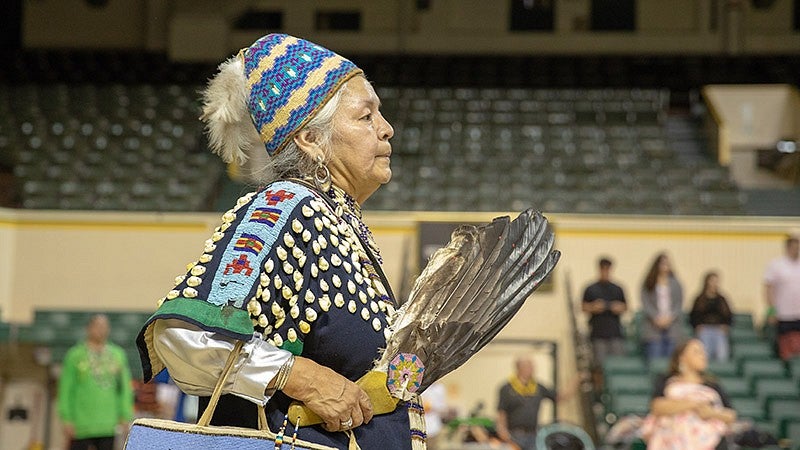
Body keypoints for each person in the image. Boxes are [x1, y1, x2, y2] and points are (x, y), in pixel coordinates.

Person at [135, 34, 425, 449]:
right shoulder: (282, 206)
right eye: (366, 116)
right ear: (310, 139)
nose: (386, 129)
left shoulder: (337, 223)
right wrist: (300, 376)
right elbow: (184, 336)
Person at [57, 314, 134, 450]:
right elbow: (65, 389)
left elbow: (124, 389)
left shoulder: (118, 355)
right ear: (89, 328)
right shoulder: (75, 355)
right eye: (97, 326)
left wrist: (125, 414)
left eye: (104, 327)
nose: (101, 330)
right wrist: (66, 418)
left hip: (107, 424)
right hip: (81, 424)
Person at [643, 339, 737, 450]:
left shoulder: (713, 384)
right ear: (682, 357)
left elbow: (731, 415)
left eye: (703, 352)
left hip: (709, 441)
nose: (703, 356)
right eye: (696, 352)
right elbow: (657, 407)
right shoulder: (666, 380)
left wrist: (711, 413)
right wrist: (693, 405)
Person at [496, 357, 572, 450]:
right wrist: (502, 431)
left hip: (532, 435)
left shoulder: (538, 387)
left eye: (532, 367)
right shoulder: (507, 388)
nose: (532, 369)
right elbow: (501, 411)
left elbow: (559, 397)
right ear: (519, 368)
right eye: (528, 366)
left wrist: (576, 380)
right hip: (514, 434)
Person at [582, 257, 627, 366]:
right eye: (603, 269)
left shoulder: (617, 289)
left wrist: (614, 307)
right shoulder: (591, 289)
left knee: (618, 363)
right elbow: (583, 307)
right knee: (599, 365)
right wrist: (594, 307)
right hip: (598, 333)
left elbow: (625, 306)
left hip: (615, 332)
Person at [640, 253, 685, 360]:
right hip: (653, 327)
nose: (665, 266)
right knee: (655, 359)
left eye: (667, 264)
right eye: (662, 264)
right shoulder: (649, 282)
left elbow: (679, 303)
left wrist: (670, 317)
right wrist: (656, 317)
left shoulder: (676, 283)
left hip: (672, 326)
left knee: (671, 360)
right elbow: (645, 303)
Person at [764, 234, 800, 360]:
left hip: (798, 314)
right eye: (794, 247)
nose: (796, 250)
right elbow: (768, 288)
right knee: (784, 347)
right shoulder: (777, 265)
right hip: (783, 314)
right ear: (788, 247)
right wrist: (771, 310)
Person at [689, 271, 733, 362]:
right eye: (712, 281)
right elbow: (694, 315)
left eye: (716, 281)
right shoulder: (700, 299)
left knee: (722, 351)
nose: (714, 284)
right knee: (705, 349)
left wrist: (726, 326)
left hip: (718, 330)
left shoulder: (722, 299)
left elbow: (728, 315)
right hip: (704, 329)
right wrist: (697, 326)